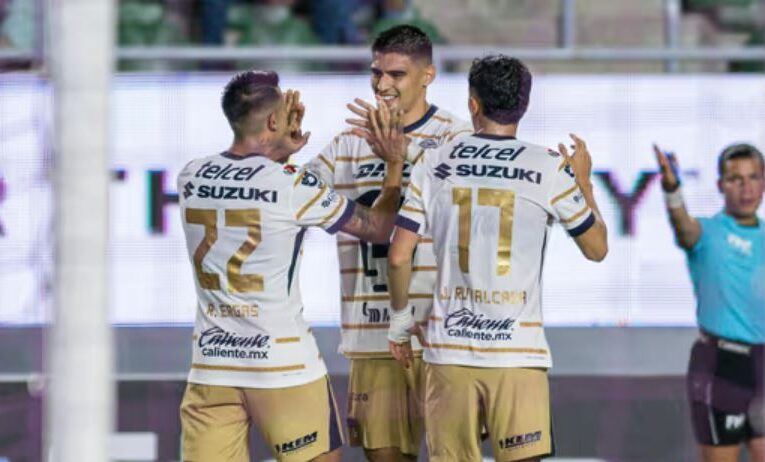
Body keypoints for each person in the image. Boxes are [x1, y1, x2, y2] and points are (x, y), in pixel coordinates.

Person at [385, 55, 608, 461]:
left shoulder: (433, 162)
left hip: (449, 352)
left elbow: (399, 256)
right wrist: (585, 184)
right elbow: (597, 249)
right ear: (524, 104)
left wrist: (400, 322)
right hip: (517, 356)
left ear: (473, 103)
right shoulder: (549, 167)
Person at [177, 70, 407, 462]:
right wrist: (394, 165)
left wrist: (281, 152)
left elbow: (250, 180)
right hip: (283, 366)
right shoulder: (291, 184)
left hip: (212, 369)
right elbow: (380, 227)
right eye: (285, 111)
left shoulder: (191, 175)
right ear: (272, 122)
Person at [303, 24, 472, 461]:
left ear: (428, 75)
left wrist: (403, 159)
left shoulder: (457, 138)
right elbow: (292, 197)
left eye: (396, 74)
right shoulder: (345, 145)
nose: (382, 84)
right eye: (375, 72)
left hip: (441, 334)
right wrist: (283, 155)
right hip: (372, 336)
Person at [654, 142, 764, 462]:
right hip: (720, 366)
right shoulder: (707, 232)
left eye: (753, 178)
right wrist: (672, 189)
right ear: (720, 185)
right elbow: (683, 228)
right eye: (735, 179)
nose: (746, 188)